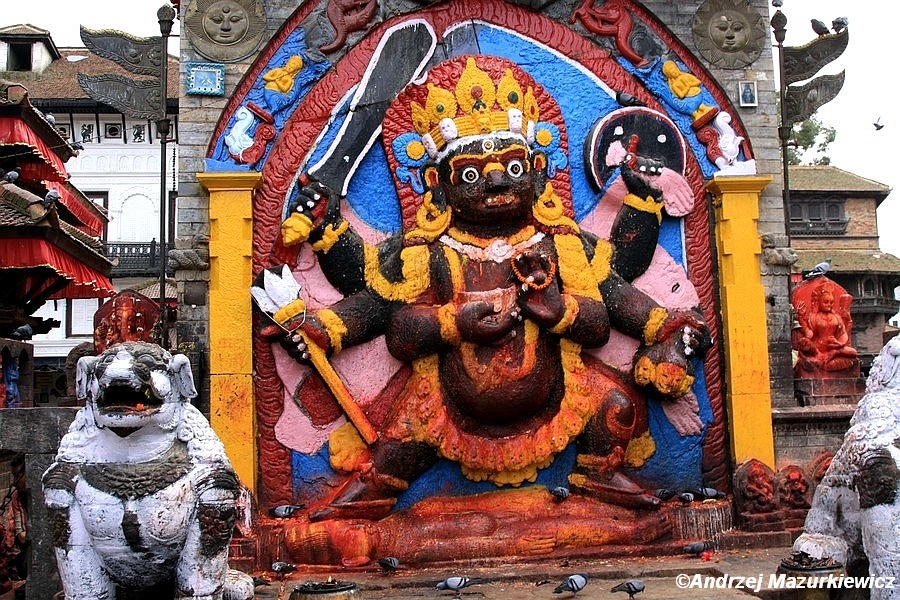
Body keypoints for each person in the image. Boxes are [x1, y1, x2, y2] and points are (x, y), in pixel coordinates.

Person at [262, 55, 710, 519]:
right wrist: (448, 323)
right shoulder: (427, 253)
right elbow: (384, 313)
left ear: (538, 170)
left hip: (559, 395)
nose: (497, 180)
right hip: (447, 404)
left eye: (513, 167)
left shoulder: (562, 247)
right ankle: (372, 497)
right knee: (403, 442)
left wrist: (558, 310)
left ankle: (598, 475)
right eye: (472, 173)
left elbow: (607, 307)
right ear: (437, 182)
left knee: (616, 408)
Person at [795, 283, 858, 372]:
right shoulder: (814, 317)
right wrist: (801, 318)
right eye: (826, 302)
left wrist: (838, 343)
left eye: (831, 302)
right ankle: (822, 359)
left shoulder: (836, 317)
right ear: (818, 302)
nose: (829, 305)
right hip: (819, 348)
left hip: (834, 347)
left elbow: (842, 334)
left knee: (853, 352)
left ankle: (833, 355)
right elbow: (809, 335)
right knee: (805, 344)